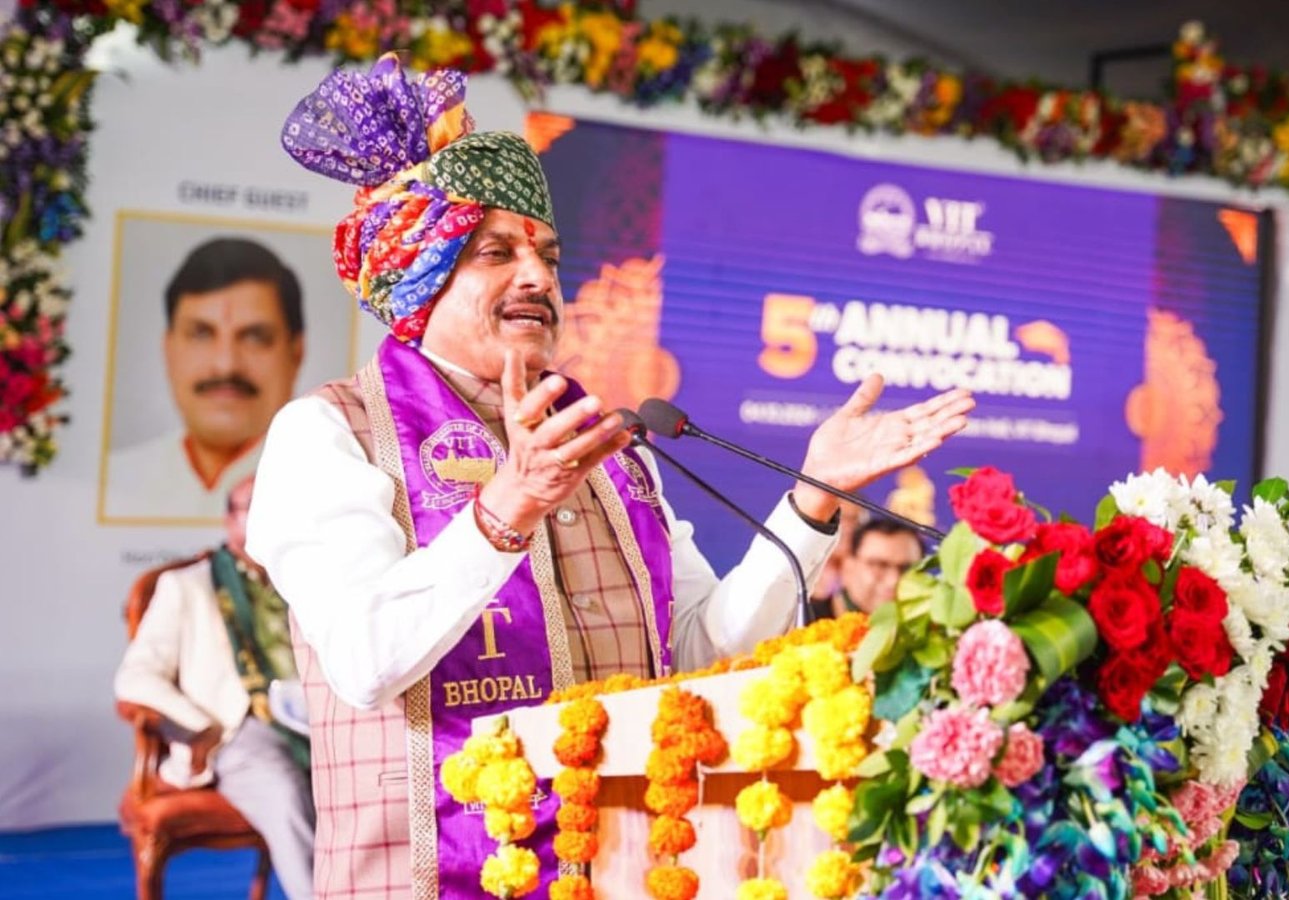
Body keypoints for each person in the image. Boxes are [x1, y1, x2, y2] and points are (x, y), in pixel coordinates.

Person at [248, 54, 973, 897]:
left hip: (621, 870)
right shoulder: (330, 434)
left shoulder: (608, 447)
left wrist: (812, 499)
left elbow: (706, 650)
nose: (538, 277)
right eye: (495, 252)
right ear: (417, 275)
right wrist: (505, 509)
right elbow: (365, 660)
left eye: (548, 255)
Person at [114, 475, 313, 900]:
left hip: (313, 727)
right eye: (251, 508)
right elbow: (136, 676)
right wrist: (197, 725)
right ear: (229, 519)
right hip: (235, 733)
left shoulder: (303, 585)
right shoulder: (186, 586)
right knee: (285, 793)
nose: (265, 518)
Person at [104, 237, 306, 520]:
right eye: (201, 333)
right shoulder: (114, 477)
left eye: (255, 336)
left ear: (296, 353)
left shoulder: (330, 484)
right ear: (168, 348)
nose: (225, 366)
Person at [810, 517, 926, 620]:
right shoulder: (801, 622)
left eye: (907, 568)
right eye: (879, 565)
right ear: (848, 567)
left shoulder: (935, 633)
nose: (893, 580)